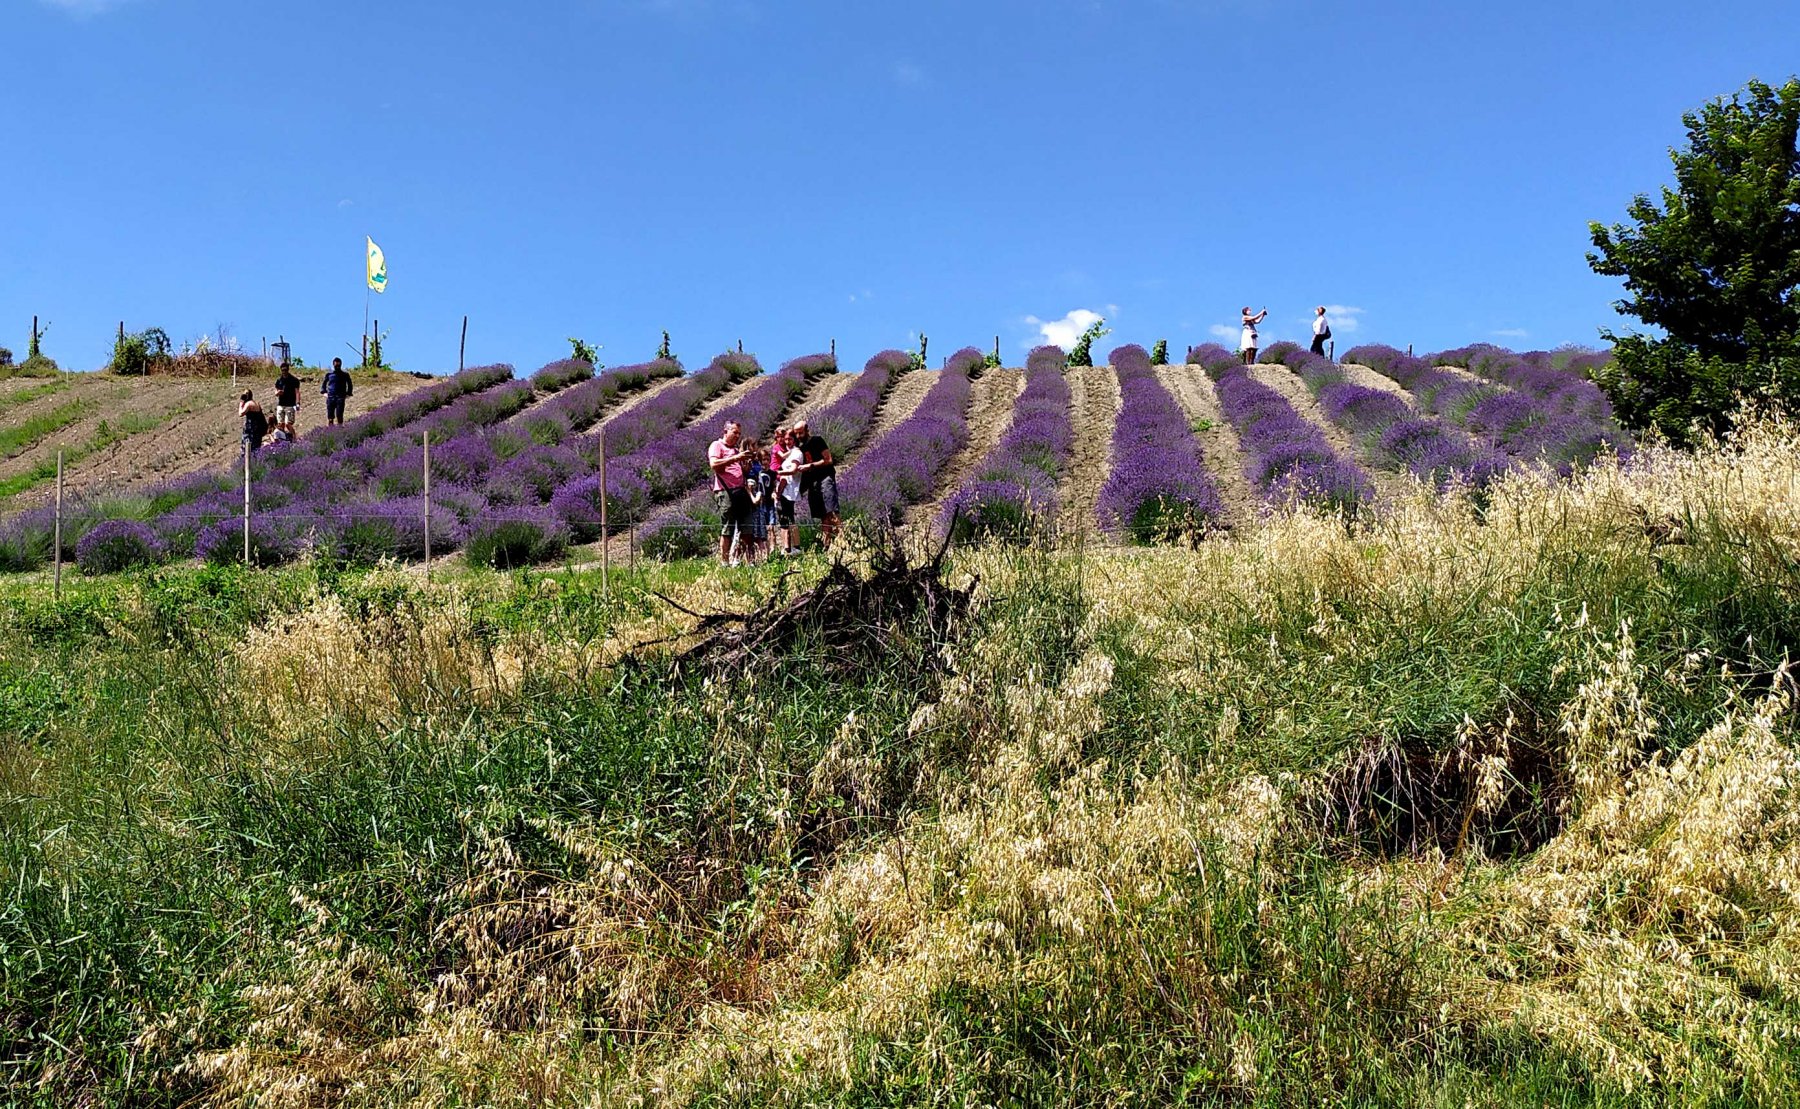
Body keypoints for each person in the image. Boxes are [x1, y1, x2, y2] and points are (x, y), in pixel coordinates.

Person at [707, 420, 755, 566]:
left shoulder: (735, 450)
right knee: (728, 527)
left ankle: (742, 560)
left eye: (739, 433)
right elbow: (714, 465)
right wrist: (735, 458)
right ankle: (724, 562)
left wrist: (746, 466)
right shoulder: (717, 446)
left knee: (746, 526)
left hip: (740, 492)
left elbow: (742, 471)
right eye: (735, 432)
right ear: (725, 431)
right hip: (725, 491)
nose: (737, 436)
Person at [793, 418, 840, 548]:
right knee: (822, 515)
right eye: (796, 433)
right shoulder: (800, 449)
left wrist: (810, 465)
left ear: (807, 430)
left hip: (825, 478)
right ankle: (827, 544)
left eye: (800, 433)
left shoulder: (817, 440)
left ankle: (843, 539)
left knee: (832, 510)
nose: (798, 436)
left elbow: (828, 460)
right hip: (813, 483)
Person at [776, 429, 805, 555]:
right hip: (785, 491)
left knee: (787, 519)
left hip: (789, 491)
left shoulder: (796, 453)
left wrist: (777, 473)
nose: (787, 442)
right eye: (785, 439)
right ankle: (788, 548)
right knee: (785, 519)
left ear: (795, 440)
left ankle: (794, 548)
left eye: (790, 439)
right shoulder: (790, 453)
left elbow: (793, 470)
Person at [321, 358, 354, 426]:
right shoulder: (329, 374)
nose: (337, 367)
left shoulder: (345, 375)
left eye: (338, 365)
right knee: (330, 417)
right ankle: (330, 430)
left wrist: (349, 393)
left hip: (340, 397)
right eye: (336, 365)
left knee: (339, 415)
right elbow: (324, 384)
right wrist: (324, 392)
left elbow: (350, 384)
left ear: (341, 365)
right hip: (331, 397)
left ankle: (339, 430)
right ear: (333, 365)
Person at [274, 362, 302, 434]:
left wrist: (298, 403)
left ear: (288, 370)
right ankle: (283, 441)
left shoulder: (294, 380)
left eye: (285, 370)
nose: (284, 372)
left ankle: (294, 438)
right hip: (281, 404)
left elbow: (297, 392)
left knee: (288, 424)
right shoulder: (279, 380)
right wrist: (278, 393)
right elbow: (275, 392)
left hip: (290, 404)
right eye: (282, 370)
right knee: (280, 424)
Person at [239, 390, 268, 456]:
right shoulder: (256, 403)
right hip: (258, 429)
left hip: (250, 429)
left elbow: (241, 413)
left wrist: (241, 403)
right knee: (256, 448)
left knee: (247, 448)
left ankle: (247, 463)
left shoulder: (249, 404)